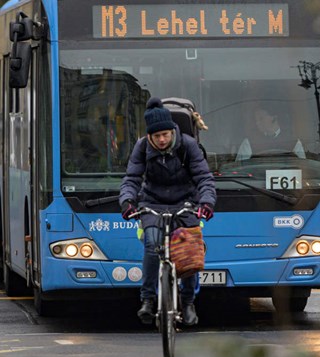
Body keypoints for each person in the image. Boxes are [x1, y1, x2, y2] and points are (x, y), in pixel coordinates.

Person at [119, 97, 216, 326]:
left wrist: (206, 203)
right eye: (156, 136)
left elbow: (204, 178)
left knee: (190, 251)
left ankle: (189, 302)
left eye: (165, 134)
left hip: (185, 202)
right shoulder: (142, 147)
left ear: (172, 131)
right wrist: (127, 202)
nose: (162, 140)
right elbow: (131, 179)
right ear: (150, 136)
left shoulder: (188, 145)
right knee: (152, 245)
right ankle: (148, 301)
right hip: (152, 203)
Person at [236, 105, 305, 161]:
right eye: (256, 120)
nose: (257, 123)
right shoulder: (248, 143)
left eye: (261, 118)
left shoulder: (294, 142)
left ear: (274, 118)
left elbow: (303, 167)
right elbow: (241, 169)